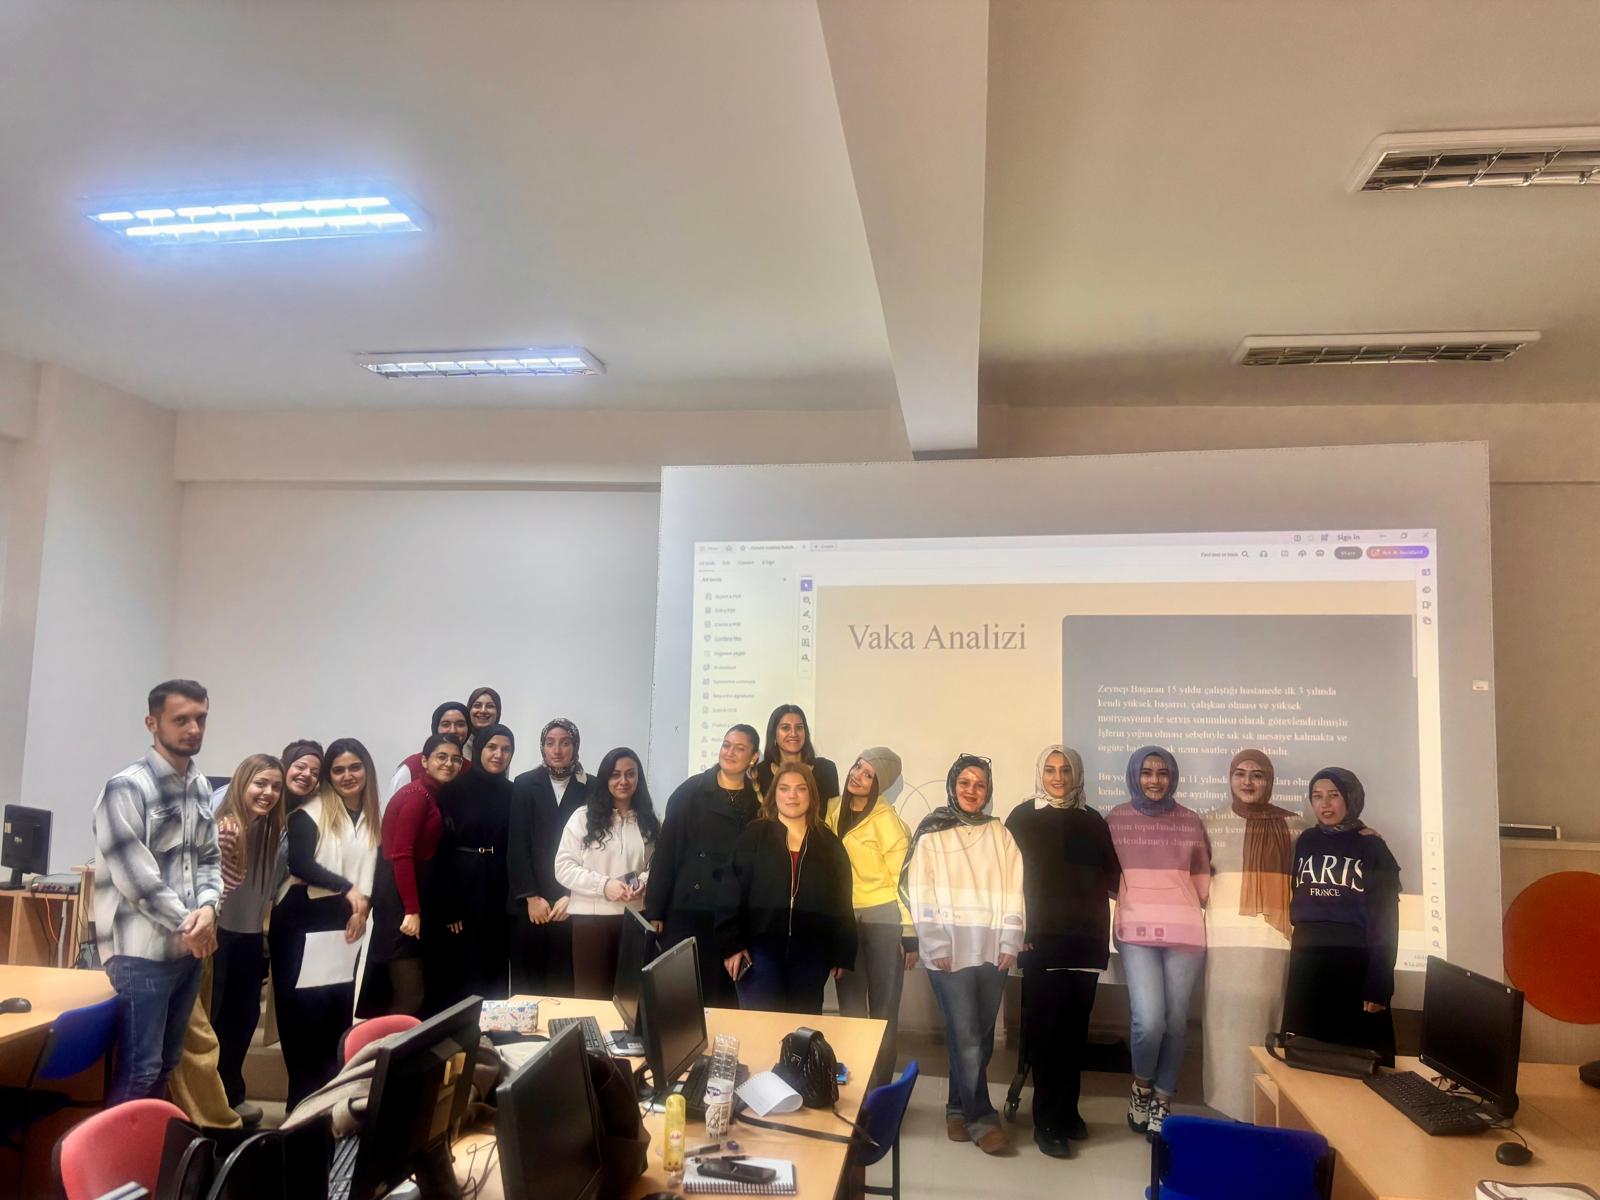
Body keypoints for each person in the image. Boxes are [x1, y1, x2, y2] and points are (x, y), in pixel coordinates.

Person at [91, 679, 224, 1105]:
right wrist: (192, 923)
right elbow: (138, 879)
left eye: (200, 719)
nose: (194, 729)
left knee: (167, 1066)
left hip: (186, 950)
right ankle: (112, 1151)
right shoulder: (126, 787)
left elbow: (209, 858)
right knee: (140, 1071)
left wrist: (208, 908)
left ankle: (148, 1148)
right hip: (140, 953)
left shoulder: (199, 785)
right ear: (152, 723)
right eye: (181, 720)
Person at [902, 754, 1025, 1156]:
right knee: (968, 1038)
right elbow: (921, 892)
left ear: (988, 791)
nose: (972, 791)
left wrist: (1010, 940)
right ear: (952, 785)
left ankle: (956, 1107)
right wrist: (935, 944)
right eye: (965, 783)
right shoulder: (932, 832)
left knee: (978, 1039)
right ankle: (981, 1118)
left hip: (991, 950)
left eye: (980, 784)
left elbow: (1014, 889)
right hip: (949, 953)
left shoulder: (1000, 834)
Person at [1004, 745, 1120, 1158]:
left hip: (1085, 942)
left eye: (1065, 770)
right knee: (1047, 1037)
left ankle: (1068, 1112)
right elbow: (1008, 879)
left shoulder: (1093, 820)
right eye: (1050, 770)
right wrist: (1017, 931)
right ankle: (1047, 1123)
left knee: (1074, 1035)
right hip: (1040, 941)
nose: (1058, 777)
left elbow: (1111, 878)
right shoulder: (1022, 818)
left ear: (1076, 775)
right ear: (1041, 773)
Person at [1107, 745, 1211, 1139]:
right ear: (1135, 775)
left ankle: (1163, 1099)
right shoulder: (1116, 819)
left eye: (1162, 772)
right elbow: (1107, 875)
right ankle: (1141, 1087)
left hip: (1184, 930)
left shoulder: (1190, 820)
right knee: (1148, 1020)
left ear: (1173, 777)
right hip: (1136, 930)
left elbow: (1202, 879)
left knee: (1176, 1021)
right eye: (1147, 772)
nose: (1155, 780)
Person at [269, 737, 378, 1109]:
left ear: (367, 770)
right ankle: (299, 1107)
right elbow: (301, 863)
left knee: (336, 1018)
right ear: (329, 777)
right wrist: (348, 889)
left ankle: (330, 1107)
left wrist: (362, 908)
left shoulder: (371, 817)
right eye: (338, 770)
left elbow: (373, 872)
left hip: (346, 922)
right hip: (301, 919)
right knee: (303, 1021)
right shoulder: (310, 812)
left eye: (355, 767)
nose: (348, 776)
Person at [1201, 749, 1307, 1120]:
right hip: (1224, 945)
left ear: (1269, 780)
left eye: (1257, 774)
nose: (1247, 781)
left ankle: (1265, 1110)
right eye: (1240, 773)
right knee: (1224, 1026)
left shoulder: (1295, 827)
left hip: (1272, 945)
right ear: (1230, 778)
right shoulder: (1209, 823)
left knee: (1266, 1022)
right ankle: (1226, 1106)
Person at [1281, 768, 1401, 1065]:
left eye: (1333, 795)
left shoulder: (1372, 846)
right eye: (1317, 796)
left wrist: (1379, 983)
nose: (1325, 804)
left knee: (1356, 1062)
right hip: (1307, 961)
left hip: (1352, 963)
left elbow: (1385, 920)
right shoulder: (1306, 841)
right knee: (1306, 1059)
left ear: (1351, 798)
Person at [717, 763, 856, 1014]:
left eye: (801, 789)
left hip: (811, 955)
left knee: (802, 1029)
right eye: (784, 788)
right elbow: (731, 892)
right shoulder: (753, 836)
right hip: (759, 952)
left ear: (811, 795)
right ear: (775, 794)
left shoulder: (829, 844)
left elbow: (842, 902)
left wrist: (842, 951)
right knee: (762, 1027)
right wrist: (732, 944)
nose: (792, 795)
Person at [644, 725, 762, 1007]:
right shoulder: (691, 792)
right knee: (683, 998)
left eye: (739, 748)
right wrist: (656, 909)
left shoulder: (758, 800)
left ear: (754, 757)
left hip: (734, 915)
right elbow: (666, 851)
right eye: (726, 745)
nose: (729, 753)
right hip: (688, 910)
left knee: (724, 1000)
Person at [824, 747, 914, 1085]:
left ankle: (879, 1093)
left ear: (880, 784)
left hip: (883, 921)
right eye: (857, 767)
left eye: (868, 775)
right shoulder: (831, 809)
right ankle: (854, 1089)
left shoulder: (890, 824)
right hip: (844, 920)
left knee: (883, 1013)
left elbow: (902, 883)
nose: (857, 776)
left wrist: (909, 932)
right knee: (850, 1011)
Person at [210, 753, 287, 1125]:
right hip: (218, 935)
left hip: (249, 934)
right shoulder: (227, 826)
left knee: (242, 1019)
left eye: (275, 786)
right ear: (242, 783)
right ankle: (209, 1102)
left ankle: (230, 1094)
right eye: (261, 783)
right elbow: (216, 892)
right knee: (215, 1021)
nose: (268, 792)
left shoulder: (270, 828)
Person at [364, 733, 464, 1016]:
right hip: (400, 903)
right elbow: (402, 854)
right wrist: (411, 910)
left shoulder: (433, 795)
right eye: (441, 757)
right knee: (410, 996)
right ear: (424, 761)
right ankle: (383, 1045)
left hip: (412, 900)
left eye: (455, 759)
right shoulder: (416, 796)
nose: (449, 764)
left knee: (413, 993)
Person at [554, 747, 659, 999]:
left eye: (630, 774)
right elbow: (563, 867)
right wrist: (604, 886)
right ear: (605, 779)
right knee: (592, 999)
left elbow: (656, 865)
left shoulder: (649, 820)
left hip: (634, 920)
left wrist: (643, 881)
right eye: (615, 774)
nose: (623, 781)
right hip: (591, 922)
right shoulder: (582, 818)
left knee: (630, 1001)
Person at [507, 718, 588, 996]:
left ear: (575, 746)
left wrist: (572, 896)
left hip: (572, 903)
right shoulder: (524, 783)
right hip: (530, 905)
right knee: (528, 986)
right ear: (542, 747)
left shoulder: (592, 787)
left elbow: (594, 849)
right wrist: (531, 897)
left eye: (565, 743)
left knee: (565, 984)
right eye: (550, 743)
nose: (557, 750)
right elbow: (517, 845)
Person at [435, 723, 515, 1006]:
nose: (498, 755)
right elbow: (442, 850)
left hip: (498, 883)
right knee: (463, 965)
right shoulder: (454, 789)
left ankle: (493, 1030)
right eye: (492, 747)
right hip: (463, 882)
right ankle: (462, 1029)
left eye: (506, 749)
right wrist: (450, 906)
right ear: (479, 748)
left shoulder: (513, 792)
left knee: (496, 962)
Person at [383, 701, 471, 810]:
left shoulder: (470, 769)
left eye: (460, 724)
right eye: (445, 724)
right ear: (435, 727)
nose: (453, 730)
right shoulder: (411, 768)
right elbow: (392, 810)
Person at [753, 704, 840, 803]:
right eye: (785, 728)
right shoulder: (759, 773)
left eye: (799, 727)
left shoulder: (826, 769)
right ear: (773, 734)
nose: (793, 733)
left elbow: (833, 811)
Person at [464, 686, 503, 758]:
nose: (483, 711)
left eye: (490, 706)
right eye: (477, 705)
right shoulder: (457, 745)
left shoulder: (503, 744)